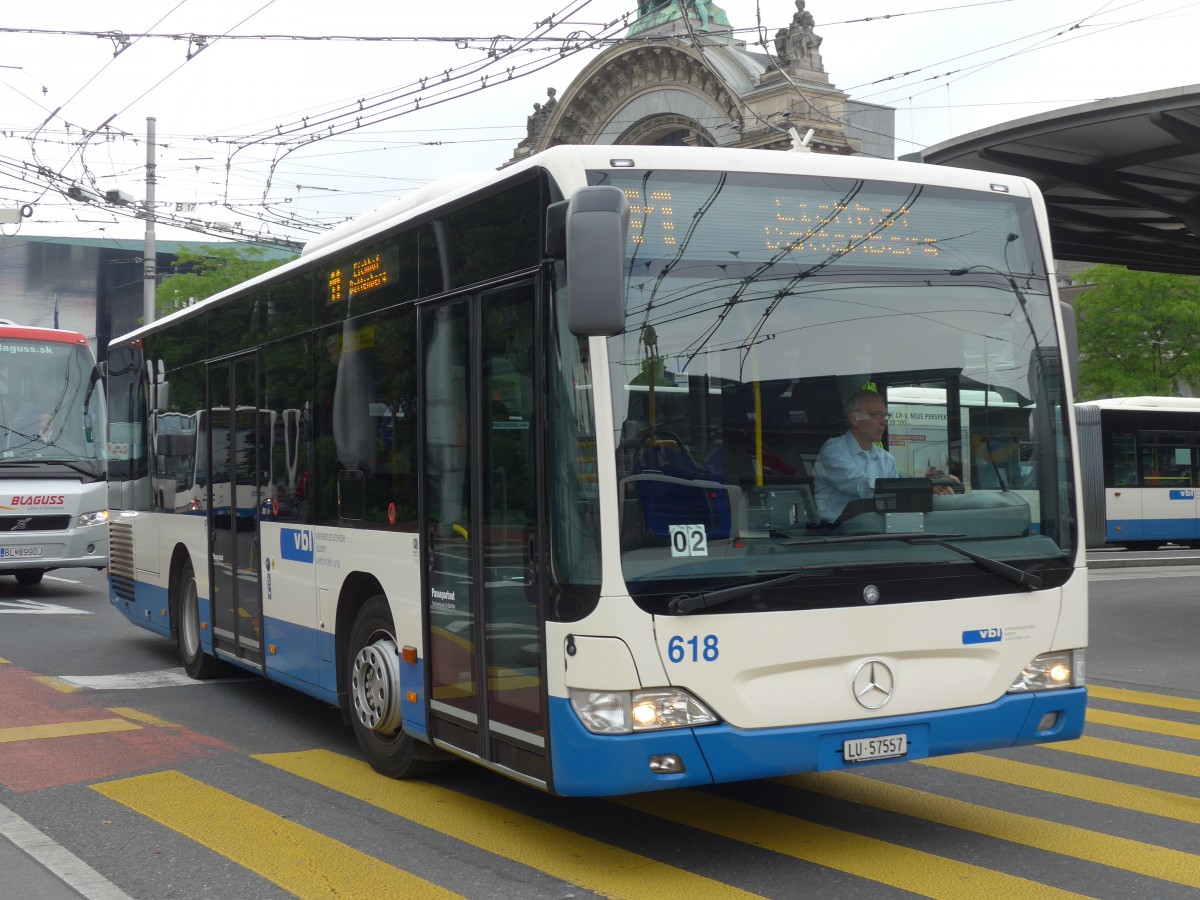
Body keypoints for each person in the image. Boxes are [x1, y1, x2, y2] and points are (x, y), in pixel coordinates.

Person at [814, 389, 956, 524]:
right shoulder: (834, 449)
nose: (884, 422)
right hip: (835, 533)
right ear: (854, 418)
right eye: (876, 415)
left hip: (878, 530)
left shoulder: (885, 458)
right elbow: (862, 487)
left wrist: (933, 487)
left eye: (885, 416)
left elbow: (895, 498)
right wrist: (919, 488)